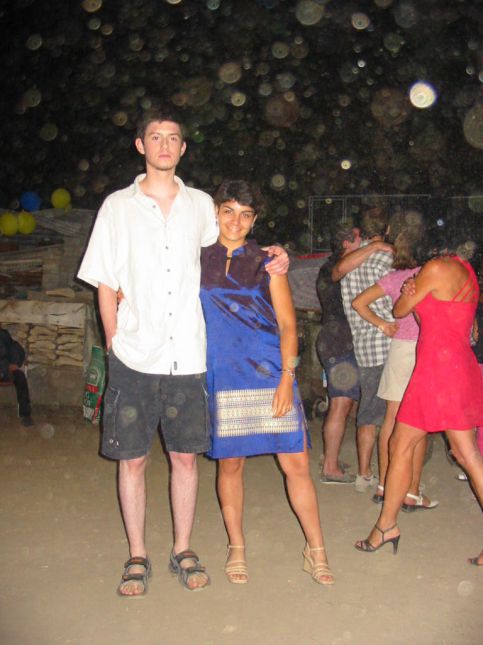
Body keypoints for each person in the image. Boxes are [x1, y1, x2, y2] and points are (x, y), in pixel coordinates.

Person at [77, 110, 289, 596]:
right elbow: (104, 280)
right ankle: (137, 554)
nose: (164, 145)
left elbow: (233, 241)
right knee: (132, 461)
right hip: (134, 353)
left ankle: (183, 548)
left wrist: (275, 253)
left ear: (183, 148)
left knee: (186, 459)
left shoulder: (200, 206)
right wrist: (113, 341)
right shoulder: (118, 207)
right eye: (155, 137)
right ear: (141, 145)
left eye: (173, 138)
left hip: (189, 355)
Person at [200, 180, 334, 586]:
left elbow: (289, 324)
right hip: (223, 374)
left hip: (270, 372)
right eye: (228, 211)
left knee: (296, 463)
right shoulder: (196, 256)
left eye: (245, 214)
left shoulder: (267, 262)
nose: (235, 221)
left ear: (254, 219)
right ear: (215, 212)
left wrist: (286, 378)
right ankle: (236, 546)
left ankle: (316, 550)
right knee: (231, 464)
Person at [354, 237, 483, 564]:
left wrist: (409, 289)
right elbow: (442, 320)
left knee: (407, 447)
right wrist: (413, 288)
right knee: (463, 454)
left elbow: (399, 311)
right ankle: (386, 526)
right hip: (456, 366)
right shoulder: (466, 272)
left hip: (437, 370)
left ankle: (386, 526)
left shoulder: (435, 268)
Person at [352, 223, 438, 510]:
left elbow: (359, 302)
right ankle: (411, 492)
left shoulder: (395, 277)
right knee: (419, 421)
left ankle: (385, 485)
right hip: (424, 350)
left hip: (399, 351)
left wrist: (383, 324)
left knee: (391, 419)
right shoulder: (431, 275)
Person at [335, 208, 394, 492]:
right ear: (389, 229)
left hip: (365, 348)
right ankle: (390, 477)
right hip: (391, 342)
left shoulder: (350, 262)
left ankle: (364, 473)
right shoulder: (388, 258)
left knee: (368, 413)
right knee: (395, 415)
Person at [316, 225, 362, 484]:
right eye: (359, 239)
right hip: (338, 341)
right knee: (340, 404)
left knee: (342, 404)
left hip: (335, 340)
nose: (364, 243)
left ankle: (330, 458)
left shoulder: (332, 266)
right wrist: (378, 247)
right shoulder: (334, 268)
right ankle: (330, 468)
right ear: (347, 243)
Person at [0, 327, 33, 427]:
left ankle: (25, 415)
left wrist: (16, 363)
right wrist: (6, 366)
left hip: (7, 371)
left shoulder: (3, 335)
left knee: (21, 378)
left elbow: (15, 349)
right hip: (4, 368)